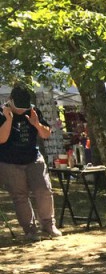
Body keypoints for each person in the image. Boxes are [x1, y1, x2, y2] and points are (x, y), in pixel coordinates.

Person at [0, 84, 62, 241]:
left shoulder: (33, 111)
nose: (22, 111)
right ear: (10, 100)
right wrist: (8, 120)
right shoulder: (1, 113)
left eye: (24, 108)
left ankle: (48, 225)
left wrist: (36, 124)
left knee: (44, 190)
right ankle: (30, 230)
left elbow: (46, 134)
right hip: (10, 162)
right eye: (18, 107)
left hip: (33, 158)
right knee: (20, 196)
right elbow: (2, 139)